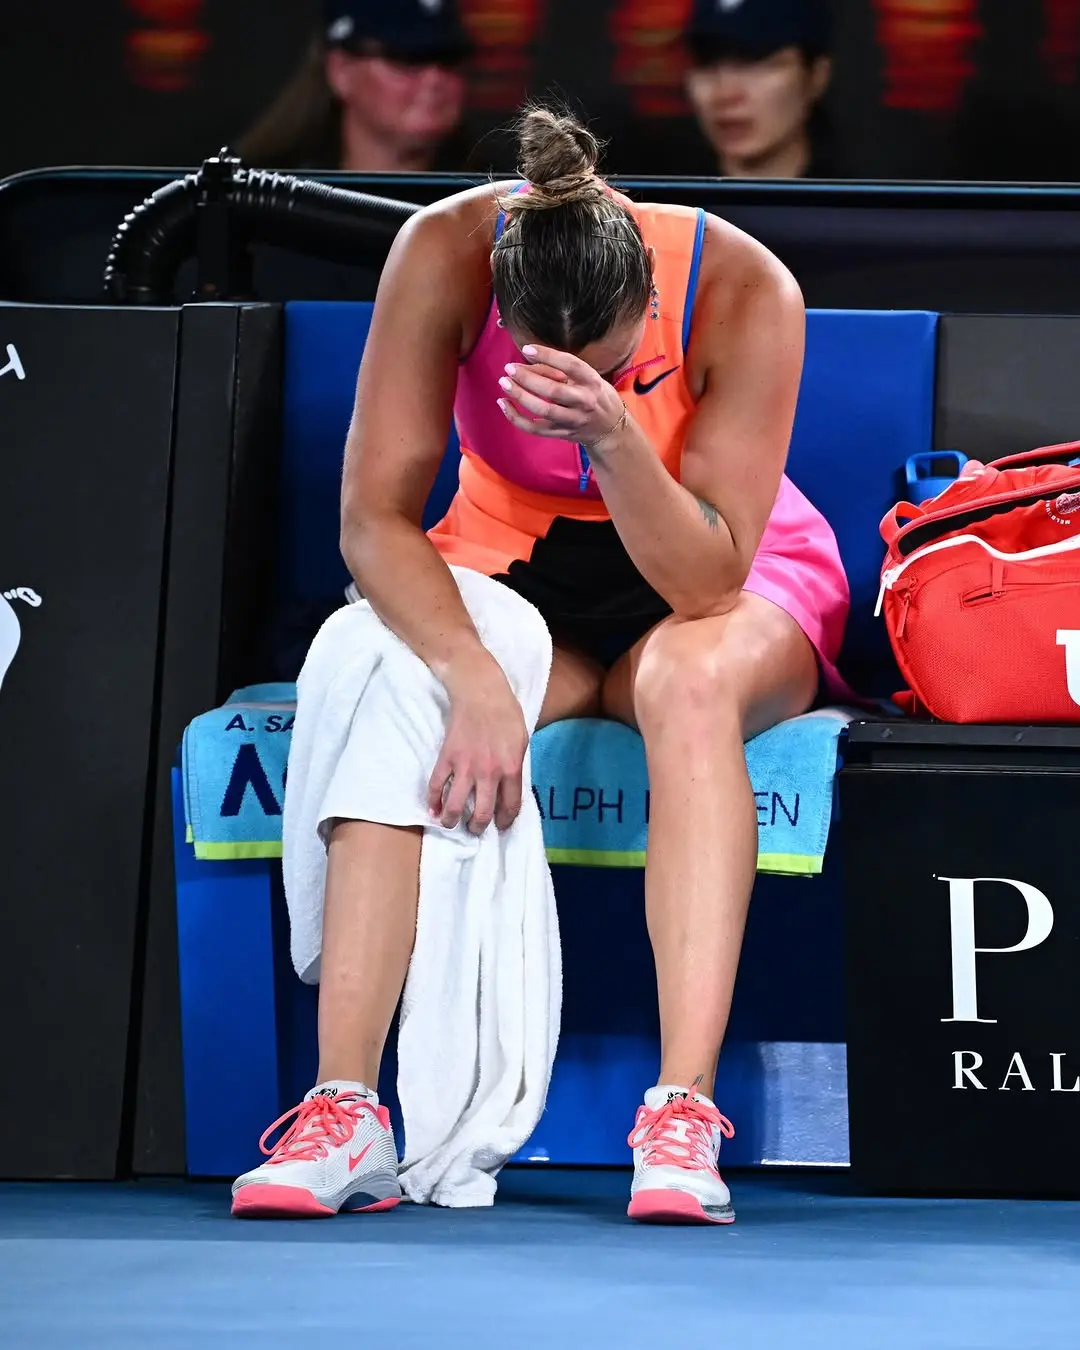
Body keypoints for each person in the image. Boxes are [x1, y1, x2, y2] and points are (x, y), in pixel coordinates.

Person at [231, 106, 849, 1225]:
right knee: (397, 680)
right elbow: (373, 519)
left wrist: (612, 435)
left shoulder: (744, 285)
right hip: (516, 565)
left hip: (717, 568)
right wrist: (471, 674)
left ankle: (682, 1110)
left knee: (686, 682)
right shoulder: (442, 251)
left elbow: (707, 583)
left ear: (648, 306)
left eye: (599, 366)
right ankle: (348, 1108)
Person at [235, 0, 472, 173]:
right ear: (341, 70)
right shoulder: (265, 200)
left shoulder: (490, 202)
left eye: (449, 58)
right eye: (406, 58)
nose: (434, 79)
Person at [683, 0, 837, 179]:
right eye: (706, 64)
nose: (726, 94)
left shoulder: (854, 193)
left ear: (817, 76)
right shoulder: (663, 191)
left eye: (756, 63)